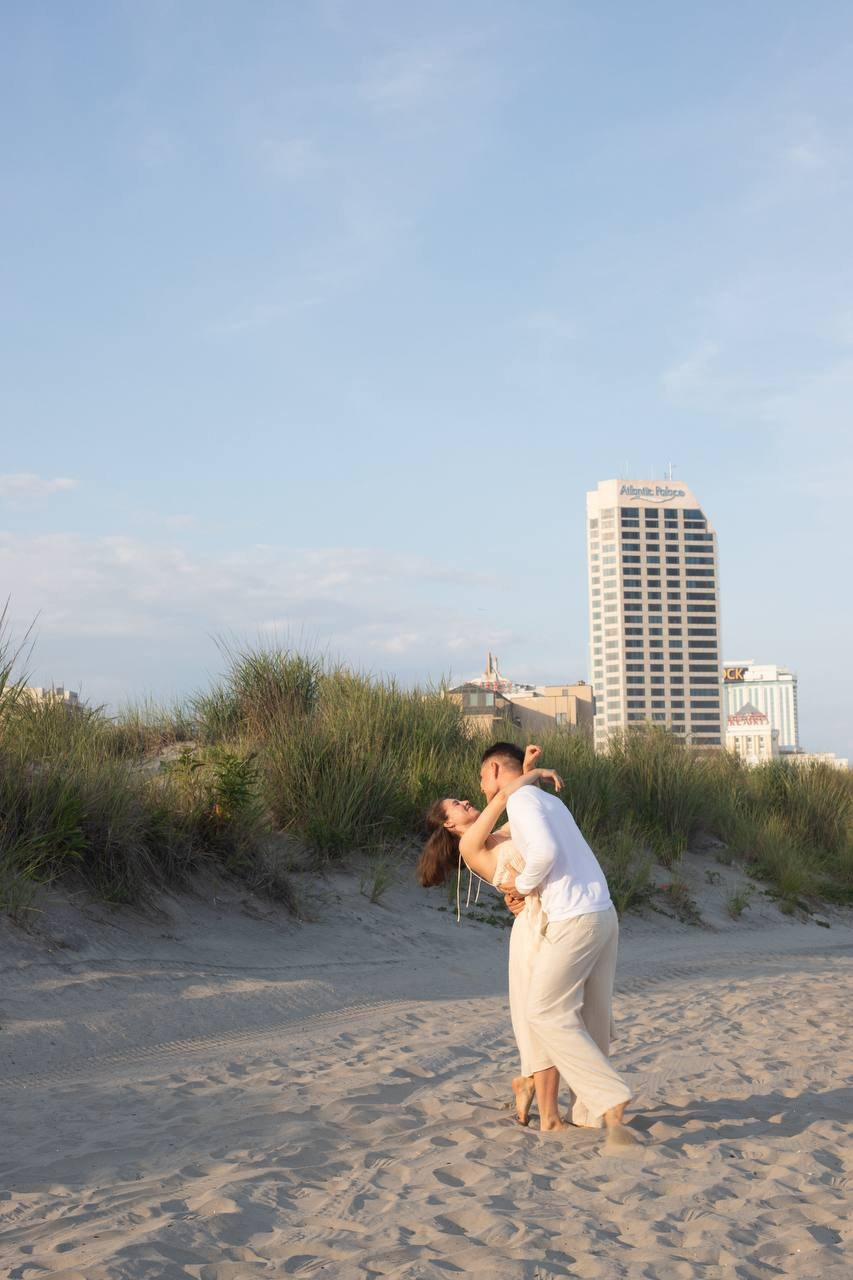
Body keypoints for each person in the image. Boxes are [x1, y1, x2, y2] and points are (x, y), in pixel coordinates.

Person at [480, 741, 638, 1146]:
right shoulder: (550, 803)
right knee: (594, 1016)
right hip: (604, 912)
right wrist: (532, 770)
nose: (482, 787)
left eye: (483, 778)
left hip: (574, 916)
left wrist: (522, 883)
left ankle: (608, 1096)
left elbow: (545, 853)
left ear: (497, 771)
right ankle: (586, 1113)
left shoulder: (522, 804)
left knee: (545, 1011)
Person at [416, 748, 562, 1125]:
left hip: (547, 919)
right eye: (457, 804)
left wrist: (526, 771)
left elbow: (520, 808)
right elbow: (502, 797)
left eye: (463, 798)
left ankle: (528, 1083)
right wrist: (537, 771)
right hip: (532, 929)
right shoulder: (470, 845)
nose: (466, 801)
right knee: (540, 1014)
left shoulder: (499, 834)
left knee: (548, 1011)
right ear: (449, 824)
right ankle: (532, 1086)